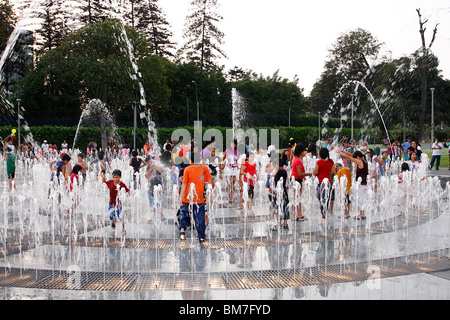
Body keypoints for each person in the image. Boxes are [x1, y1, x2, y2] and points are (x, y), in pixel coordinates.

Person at [178, 152, 213, 243]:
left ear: (191, 161)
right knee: (200, 216)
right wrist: (210, 192)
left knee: (184, 213)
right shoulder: (204, 168)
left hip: (187, 196)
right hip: (199, 197)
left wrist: (181, 196)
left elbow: (184, 183)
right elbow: (209, 181)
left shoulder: (187, 169)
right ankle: (201, 236)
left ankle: (182, 232)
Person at [336, 149, 368, 220]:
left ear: (358, 157)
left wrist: (340, 152)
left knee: (360, 199)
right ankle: (361, 214)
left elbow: (349, 157)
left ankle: (362, 214)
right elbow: (351, 155)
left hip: (361, 184)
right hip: (364, 183)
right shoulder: (364, 160)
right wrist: (343, 151)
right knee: (361, 199)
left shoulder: (359, 161)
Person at [101, 169, 131, 235]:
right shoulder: (110, 182)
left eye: (116, 177)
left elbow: (128, 190)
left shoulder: (122, 184)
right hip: (111, 203)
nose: (115, 179)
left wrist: (132, 195)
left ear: (120, 177)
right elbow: (104, 184)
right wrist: (103, 178)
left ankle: (123, 229)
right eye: (114, 177)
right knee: (111, 215)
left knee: (121, 216)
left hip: (119, 204)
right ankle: (113, 222)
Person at [313, 148, 336, 224]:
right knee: (326, 200)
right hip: (329, 183)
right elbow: (333, 171)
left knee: (321, 200)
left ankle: (323, 218)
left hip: (321, 183)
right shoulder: (331, 161)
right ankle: (325, 217)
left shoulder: (319, 162)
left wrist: (319, 173)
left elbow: (314, 172)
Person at [269, 153, 290, 230]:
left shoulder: (278, 172)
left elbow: (276, 182)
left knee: (279, 207)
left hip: (279, 191)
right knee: (284, 207)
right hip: (284, 191)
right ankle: (285, 224)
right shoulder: (284, 171)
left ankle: (279, 224)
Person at [291, 144, 312, 221]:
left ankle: (296, 214)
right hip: (297, 180)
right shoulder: (297, 161)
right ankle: (298, 215)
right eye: (304, 151)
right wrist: (308, 174)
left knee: (296, 197)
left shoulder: (296, 159)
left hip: (297, 179)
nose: (305, 152)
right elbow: (300, 173)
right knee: (297, 197)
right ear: (300, 152)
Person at [221, 139, 239, 206]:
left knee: (233, 183)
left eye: (234, 144)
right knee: (229, 183)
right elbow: (223, 158)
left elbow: (239, 161)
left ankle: (232, 195)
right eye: (231, 144)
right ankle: (229, 197)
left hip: (234, 169)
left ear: (235, 145)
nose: (232, 145)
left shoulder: (237, 151)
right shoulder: (227, 151)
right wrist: (222, 165)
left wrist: (235, 165)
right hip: (228, 169)